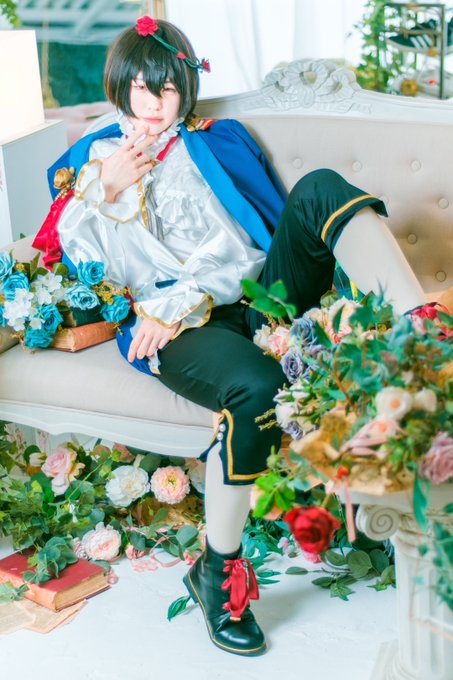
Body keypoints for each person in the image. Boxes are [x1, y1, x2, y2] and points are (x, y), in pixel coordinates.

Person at [33, 16, 426, 657]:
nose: (153, 102)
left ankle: (423, 328)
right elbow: (90, 268)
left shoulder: (215, 143)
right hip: (171, 329)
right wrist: (106, 189)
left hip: (250, 296)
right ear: (121, 87)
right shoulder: (93, 163)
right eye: (140, 87)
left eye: (166, 87)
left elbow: (245, 249)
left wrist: (187, 296)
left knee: (320, 188)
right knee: (257, 386)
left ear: (185, 86)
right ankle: (216, 573)